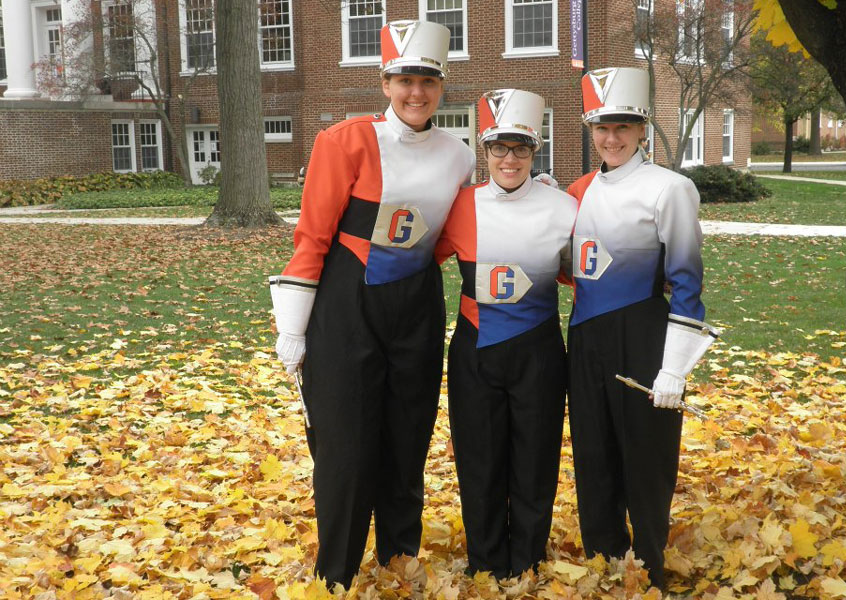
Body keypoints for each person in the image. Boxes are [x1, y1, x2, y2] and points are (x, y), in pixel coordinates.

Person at [268, 20, 475, 589]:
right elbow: (311, 239)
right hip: (345, 308)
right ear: (385, 83)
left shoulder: (459, 155)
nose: (416, 92)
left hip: (417, 308)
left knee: (408, 438)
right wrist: (294, 329)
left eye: (428, 81)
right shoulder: (345, 140)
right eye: (405, 80)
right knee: (345, 447)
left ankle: (399, 560)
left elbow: (454, 238)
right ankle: (335, 572)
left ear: (441, 87)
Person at [565, 67, 718, 589]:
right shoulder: (580, 189)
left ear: (642, 129)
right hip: (584, 335)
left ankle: (649, 563)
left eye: (623, 127)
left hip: (645, 335)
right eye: (602, 129)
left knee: (646, 456)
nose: (611, 138)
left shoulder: (671, 188)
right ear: (591, 132)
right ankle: (604, 559)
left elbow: (687, 284)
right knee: (593, 452)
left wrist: (674, 367)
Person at [434, 89, 577, 579]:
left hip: (539, 348)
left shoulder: (563, 208)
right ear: (484, 150)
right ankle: (486, 561)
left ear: (534, 150)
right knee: (479, 461)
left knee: (536, 460)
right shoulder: (458, 206)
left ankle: (527, 560)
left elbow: (577, 272)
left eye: (520, 148)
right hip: (475, 348)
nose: (509, 158)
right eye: (499, 147)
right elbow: (417, 263)